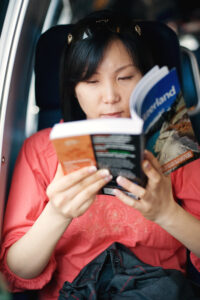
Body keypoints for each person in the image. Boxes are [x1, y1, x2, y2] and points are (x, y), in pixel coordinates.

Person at [1, 9, 200, 300]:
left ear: (145, 79)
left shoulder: (173, 143)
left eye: (125, 77)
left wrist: (166, 213)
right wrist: (57, 213)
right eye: (92, 82)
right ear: (74, 89)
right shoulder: (40, 149)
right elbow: (16, 272)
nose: (110, 96)